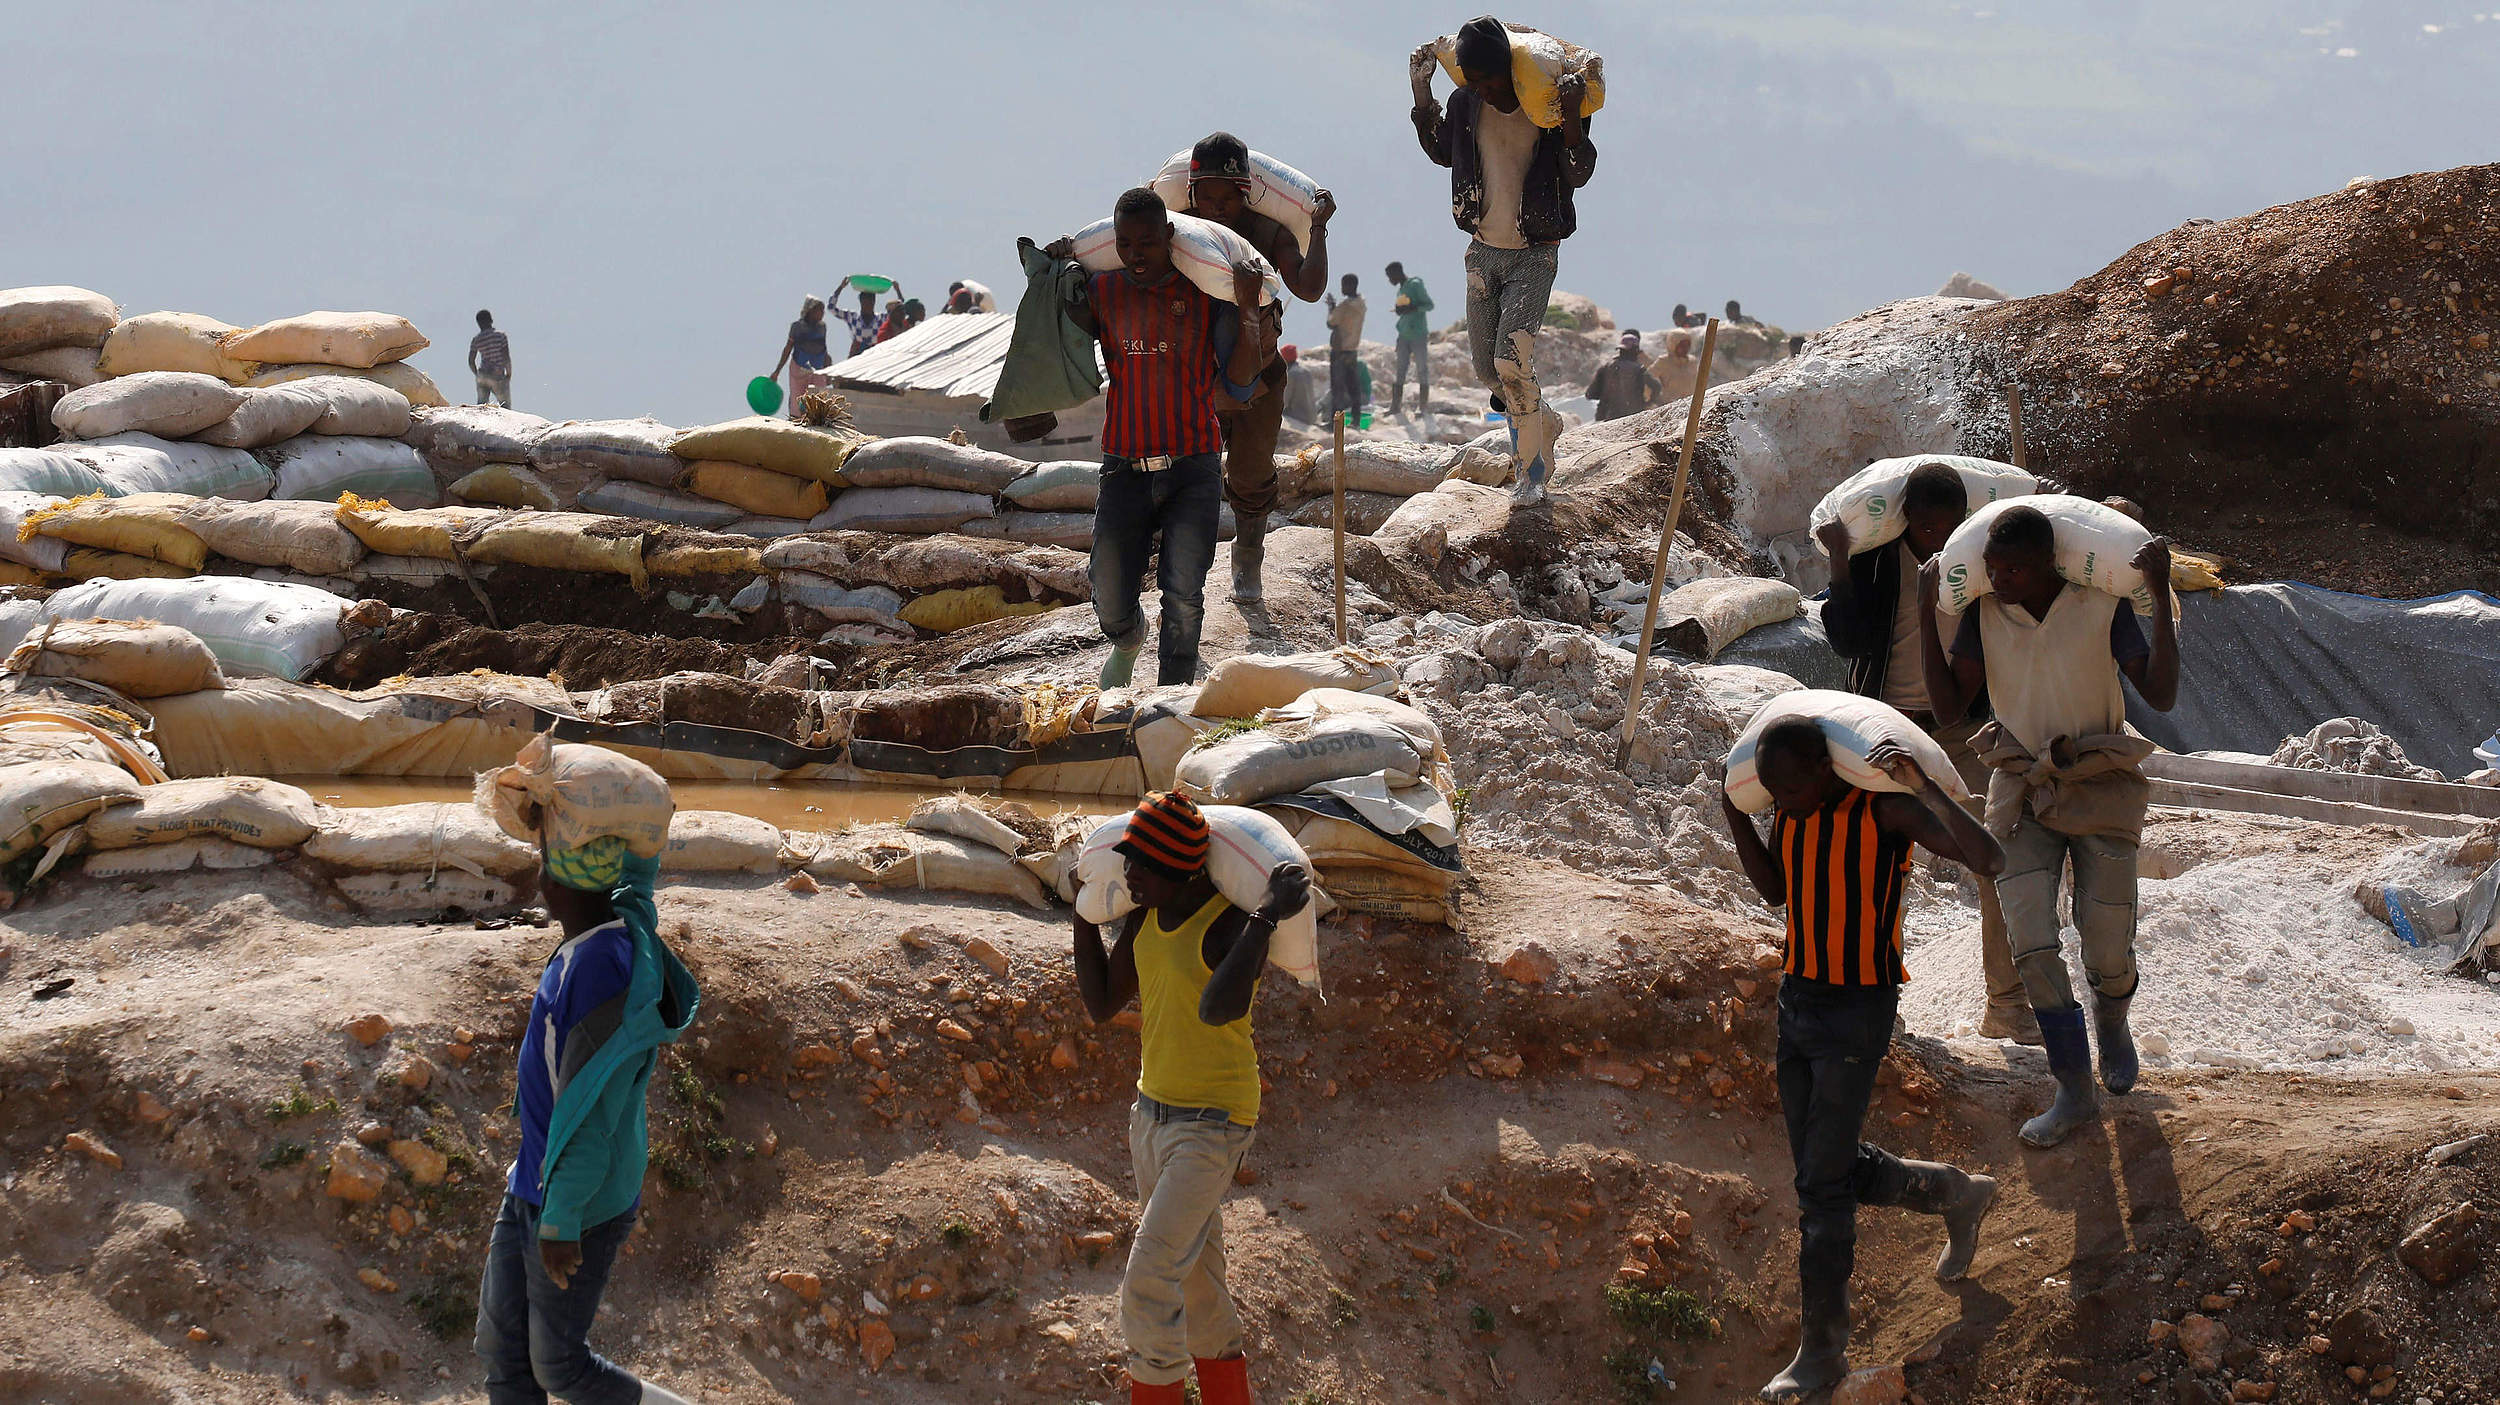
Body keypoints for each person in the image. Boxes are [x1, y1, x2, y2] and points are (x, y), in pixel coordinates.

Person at [1723, 722, 2004, 1402]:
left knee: (1821, 1187)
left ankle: (1822, 1351)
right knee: (1827, 1166)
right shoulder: (1790, 813)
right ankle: (1954, 1193)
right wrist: (1736, 811)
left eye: (1794, 786)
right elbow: (1774, 892)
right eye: (1775, 790)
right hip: (1798, 1001)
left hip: (1857, 1007)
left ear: (1826, 767)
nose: (1783, 800)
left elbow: (1988, 856)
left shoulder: (1884, 808)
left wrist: (1925, 786)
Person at [1918, 506, 2180, 1148]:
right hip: (2021, 782)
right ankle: (2072, 1087)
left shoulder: (2099, 605)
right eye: (1992, 569)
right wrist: (1928, 612)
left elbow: (2162, 693)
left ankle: (2112, 1026)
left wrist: (2160, 591)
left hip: (2098, 776)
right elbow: (1950, 708)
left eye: (2014, 569)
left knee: (2108, 935)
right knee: (2030, 935)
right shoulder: (1982, 615)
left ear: (2047, 565)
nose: (2000, 580)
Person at [472, 750, 701, 1405]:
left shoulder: (603, 969)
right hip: (535, 1180)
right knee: (505, 1356)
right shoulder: (607, 926)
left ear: (559, 885)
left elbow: (593, 1109)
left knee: (560, 1368)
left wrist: (561, 1219)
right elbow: (637, 873)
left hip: (574, 1202)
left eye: (547, 862)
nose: (540, 875)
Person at [1071, 791, 1312, 1405]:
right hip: (1150, 1117)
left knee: (1150, 1282)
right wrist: (1082, 909)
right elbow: (1101, 1004)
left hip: (1213, 1124)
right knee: (1200, 1290)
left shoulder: (1228, 923)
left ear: (1177, 870)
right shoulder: (1146, 917)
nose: (1128, 874)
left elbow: (1218, 1005)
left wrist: (1265, 917)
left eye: (1139, 866)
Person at [1819, 464, 2038, 1046]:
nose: (1936, 537)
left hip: (1966, 731)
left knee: (1996, 857)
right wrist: (1840, 559)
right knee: (1872, 862)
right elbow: (1846, 639)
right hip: (1886, 729)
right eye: (1923, 525)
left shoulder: (1982, 563)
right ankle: (1868, 1004)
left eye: (1947, 525)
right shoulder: (1876, 561)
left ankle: (2009, 1005)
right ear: (1905, 520)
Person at [1046, 188, 1271, 688]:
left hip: (1193, 464)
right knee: (1106, 587)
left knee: (1184, 593)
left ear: (1169, 237)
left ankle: (1173, 699)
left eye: (1147, 242)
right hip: (1124, 465)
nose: (1135, 255)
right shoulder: (1104, 293)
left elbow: (1240, 381)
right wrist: (1059, 269)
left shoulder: (1203, 294)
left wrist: (1250, 307)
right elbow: (1060, 321)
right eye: (1124, 244)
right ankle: (1127, 639)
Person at [1409, 15, 1596, 505]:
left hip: (1534, 253)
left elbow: (1578, 173)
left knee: (1510, 363)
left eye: (1491, 81)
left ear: (1510, 72)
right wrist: (1421, 95)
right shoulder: (1466, 103)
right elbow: (1441, 152)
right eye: (1477, 83)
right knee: (1487, 372)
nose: (1486, 92)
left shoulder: (1549, 106)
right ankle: (1544, 421)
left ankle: (1531, 476)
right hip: (1483, 253)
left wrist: (1573, 113)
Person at [1175, 131, 1335, 604]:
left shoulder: (1267, 233)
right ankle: (1182, 575)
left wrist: (1319, 230)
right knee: (1185, 476)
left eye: (1228, 196)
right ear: (1192, 193)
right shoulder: (1176, 228)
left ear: (1245, 193)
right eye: (1208, 195)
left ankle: (1248, 559)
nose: (1217, 206)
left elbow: (1307, 287)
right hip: (1192, 377)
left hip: (1259, 375)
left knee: (1249, 474)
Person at [769, 297, 833, 420]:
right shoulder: (797, 327)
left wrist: (828, 371)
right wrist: (777, 371)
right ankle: (796, 421)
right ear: (810, 311)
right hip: (799, 367)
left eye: (822, 310)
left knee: (820, 399)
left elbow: (824, 349)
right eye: (818, 310)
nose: (822, 314)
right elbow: (788, 349)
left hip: (817, 369)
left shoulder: (822, 327)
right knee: (797, 400)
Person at [1384, 260, 1434, 417]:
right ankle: (1395, 407)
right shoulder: (1401, 290)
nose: (1389, 280)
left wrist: (1412, 308)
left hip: (1418, 333)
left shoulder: (1415, 284)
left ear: (1397, 273)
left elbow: (1429, 305)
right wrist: (1400, 310)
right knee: (1400, 369)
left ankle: (1422, 408)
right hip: (1404, 334)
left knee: (1421, 369)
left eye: (1390, 276)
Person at [1586, 329, 1662, 421]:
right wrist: (1647, 403)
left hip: (1606, 419)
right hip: (1632, 418)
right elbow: (1657, 387)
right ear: (1635, 351)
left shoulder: (1606, 367)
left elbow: (1590, 394)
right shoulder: (1639, 369)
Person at [1323, 273, 1366, 421]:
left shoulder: (1345, 306)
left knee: (1338, 389)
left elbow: (1331, 323)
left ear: (1350, 285)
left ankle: (1335, 422)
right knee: (1353, 386)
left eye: (1344, 285)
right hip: (1352, 351)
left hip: (1339, 351)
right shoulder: (1361, 303)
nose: (1342, 288)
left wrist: (1331, 307)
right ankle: (1356, 419)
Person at [831, 278, 892, 359]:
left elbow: (900, 313)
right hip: (856, 356)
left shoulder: (881, 318)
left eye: (871, 301)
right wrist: (840, 287)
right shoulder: (852, 317)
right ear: (861, 301)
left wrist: (897, 290)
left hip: (876, 357)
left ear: (874, 302)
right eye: (865, 301)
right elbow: (831, 308)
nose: (868, 304)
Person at [469, 310, 512, 408]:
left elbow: (471, 361)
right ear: (491, 320)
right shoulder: (500, 336)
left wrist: (477, 374)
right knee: (505, 406)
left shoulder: (476, 339)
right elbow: (506, 356)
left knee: (482, 406)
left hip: (483, 374)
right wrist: (508, 373)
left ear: (478, 323)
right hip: (497, 374)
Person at [1652, 329, 1698, 404]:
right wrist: (1654, 399)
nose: (1685, 348)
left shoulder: (1692, 361)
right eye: (1682, 345)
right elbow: (1648, 379)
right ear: (1673, 345)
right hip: (1670, 406)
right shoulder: (1664, 361)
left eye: (1687, 345)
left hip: (1691, 404)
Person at [1278, 344, 1318, 425]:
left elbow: (1285, 400)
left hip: (1298, 416)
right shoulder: (1306, 371)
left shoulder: (1291, 374)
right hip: (1311, 416)